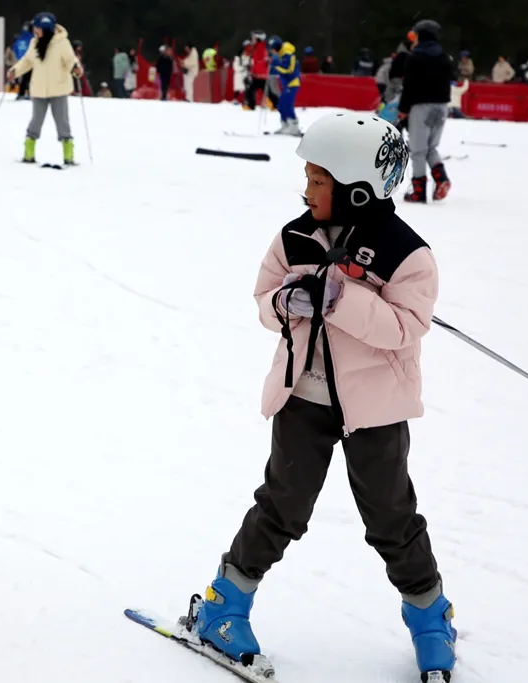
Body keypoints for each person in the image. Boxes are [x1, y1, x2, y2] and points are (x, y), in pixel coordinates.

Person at [185, 111, 456, 683]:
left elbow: (404, 329)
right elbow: (264, 299)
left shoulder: (407, 255)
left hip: (374, 409)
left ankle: (431, 614)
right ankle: (223, 606)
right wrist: (286, 303)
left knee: (390, 516)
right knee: (282, 504)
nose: (306, 189)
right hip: (302, 397)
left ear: (358, 190)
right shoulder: (294, 237)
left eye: (317, 180)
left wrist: (340, 298)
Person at [7, 11, 82, 166]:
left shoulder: (62, 43)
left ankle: (68, 154)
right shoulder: (34, 43)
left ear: (46, 28)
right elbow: (27, 61)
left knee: (62, 122)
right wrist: (15, 70)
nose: (35, 31)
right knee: (35, 122)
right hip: (39, 89)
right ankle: (29, 152)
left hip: (59, 89)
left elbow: (70, 60)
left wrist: (76, 68)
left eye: (38, 28)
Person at [398, 19, 453, 203]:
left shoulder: (415, 57)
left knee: (417, 150)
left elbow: (409, 86)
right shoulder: (444, 57)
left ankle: (418, 190)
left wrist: (403, 109)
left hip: (420, 107)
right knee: (431, 147)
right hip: (441, 106)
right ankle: (441, 178)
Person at [268, 35, 301, 135]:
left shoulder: (288, 54)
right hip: (286, 84)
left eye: (273, 49)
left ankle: (294, 126)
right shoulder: (281, 55)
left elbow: (288, 70)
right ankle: (285, 125)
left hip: (292, 83)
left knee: (287, 104)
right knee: (281, 105)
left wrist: (275, 65)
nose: (272, 51)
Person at [246, 30, 269, 110]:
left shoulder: (260, 47)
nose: (252, 40)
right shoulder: (257, 47)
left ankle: (251, 105)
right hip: (258, 74)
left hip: (259, 74)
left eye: (254, 38)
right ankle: (253, 105)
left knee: (251, 89)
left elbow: (260, 62)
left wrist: (253, 71)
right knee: (253, 89)